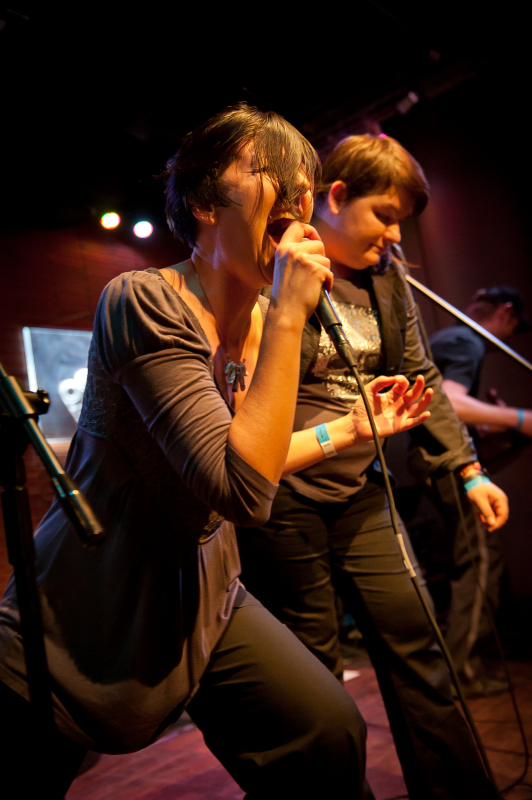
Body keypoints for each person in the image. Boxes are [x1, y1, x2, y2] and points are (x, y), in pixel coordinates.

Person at [0, 105, 434, 799]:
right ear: (204, 202)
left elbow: (247, 460)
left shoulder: (265, 318)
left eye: (305, 186)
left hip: (206, 588)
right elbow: (240, 490)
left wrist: (346, 430)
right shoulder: (143, 300)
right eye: (275, 176)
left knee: (325, 732)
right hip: (93, 598)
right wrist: (292, 313)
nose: (298, 200)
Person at [237, 133, 507, 800]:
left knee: (419, 651)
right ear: (334, 196)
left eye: (400, 223)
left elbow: (420, 375)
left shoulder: (387, 278)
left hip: (362, 492)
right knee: (313, 671)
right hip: (285, 497)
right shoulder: (274, 266)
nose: (393, 236)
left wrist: (468, 470)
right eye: (383, 215)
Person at [425, 286, 532, 695]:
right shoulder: (465, 340)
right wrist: (520, 417)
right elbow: (449, 404)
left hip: (442, 459)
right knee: (480, 560)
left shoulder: (450, 340)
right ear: (506, 313)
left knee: (479, 557)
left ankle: (467, 664)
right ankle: (463, 672)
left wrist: (494, 422)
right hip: (450, 462)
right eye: (513, 327)